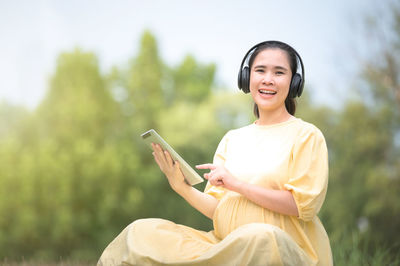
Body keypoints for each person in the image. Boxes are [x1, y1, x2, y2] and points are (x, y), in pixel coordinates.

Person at [98, 40, 333, 266]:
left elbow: (301, 205)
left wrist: (237, 184)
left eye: (279, 72)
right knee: (142, 232)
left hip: (280, 248)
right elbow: (217, 209)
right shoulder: (233, 138)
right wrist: (181, 186)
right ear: (247, 78)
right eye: (260, 70)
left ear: (294, 83)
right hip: (225, 246)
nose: (268, 79)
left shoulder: (307, 135)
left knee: (260, 238)